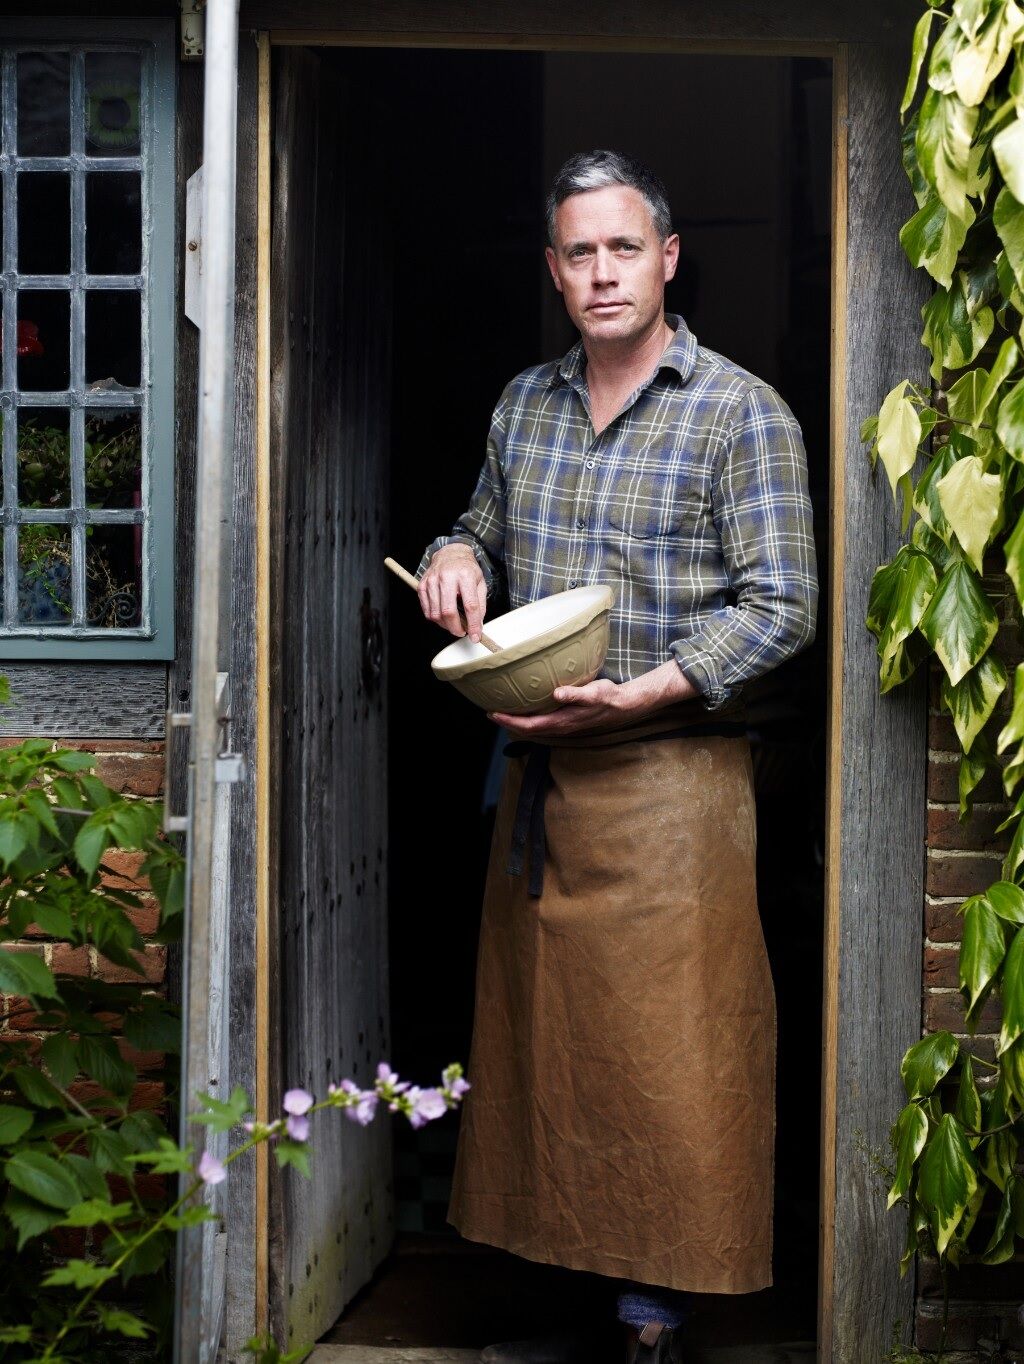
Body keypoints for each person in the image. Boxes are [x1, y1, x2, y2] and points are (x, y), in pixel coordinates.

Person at [416, 149, 818, 1364]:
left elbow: (783, 603)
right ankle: (575, 1306)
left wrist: (639, 690)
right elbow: (482, 518)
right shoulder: (522, 403)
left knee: (669, 1065)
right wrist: (455, 552)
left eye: (623, 248)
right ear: (554, 269)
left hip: (673, 782)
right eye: (579, 253)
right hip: (543, 780)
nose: (602, 273)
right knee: (554, 1062)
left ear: (668, 259)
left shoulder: (739, 411)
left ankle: (656, 1323)